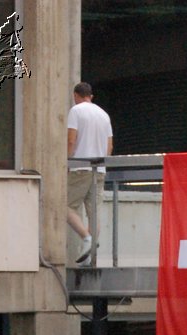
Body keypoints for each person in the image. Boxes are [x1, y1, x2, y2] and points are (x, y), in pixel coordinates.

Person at [67, 82, 113, 265]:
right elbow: (109, 146)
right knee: (94, 212)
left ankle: (86, 238)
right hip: (99, 169)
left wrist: (67, 162)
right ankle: (90, 258)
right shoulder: (104, 115)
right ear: (91, 96)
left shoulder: (76, 111)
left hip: (80, 168)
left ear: (76, 95)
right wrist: (102, 164)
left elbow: (71, 140)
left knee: (64, 206)